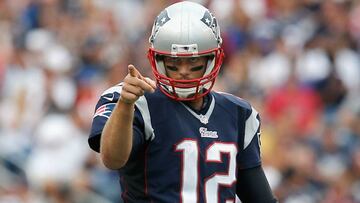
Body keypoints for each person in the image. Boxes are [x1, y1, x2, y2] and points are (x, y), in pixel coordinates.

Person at [88, 1, 278, 202]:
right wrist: (125, 105)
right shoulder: (136, 100)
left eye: (194, 61)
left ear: (213, 59)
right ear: (158, 59)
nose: (184, 71)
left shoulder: (239, 114)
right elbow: (112, 159)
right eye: (174, 61)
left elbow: (260, 198)